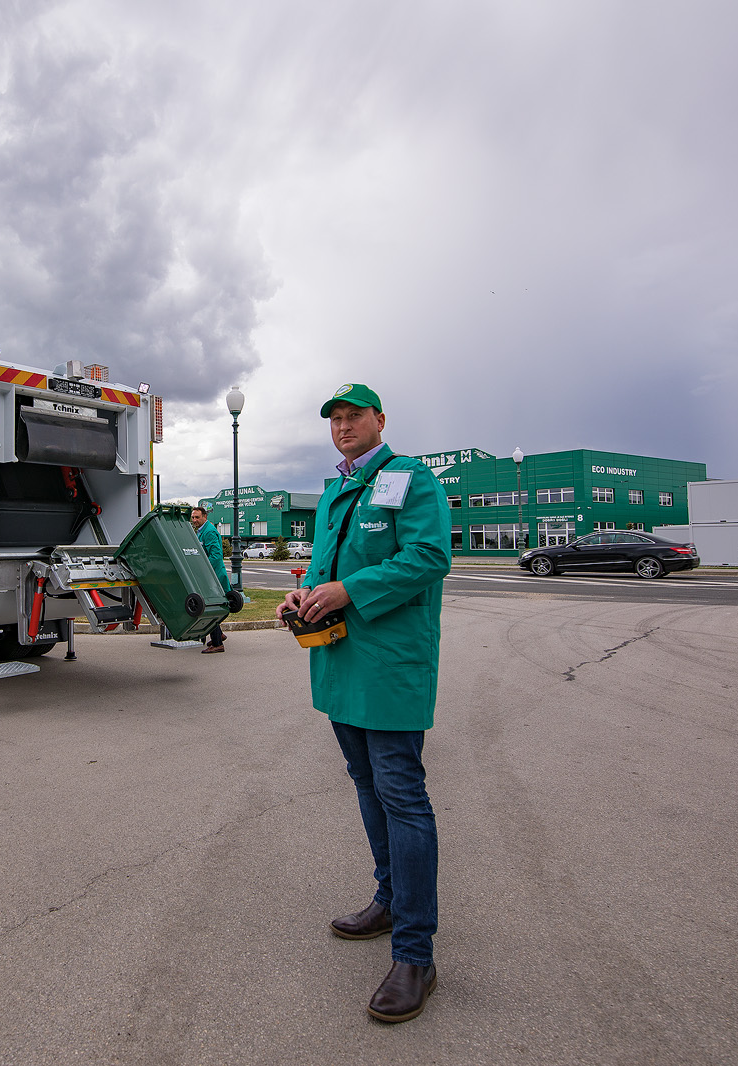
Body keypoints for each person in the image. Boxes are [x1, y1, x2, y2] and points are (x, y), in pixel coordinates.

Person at [280, 383, 452, 1023]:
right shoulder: (333, 492)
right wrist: (303, 598)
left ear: (380, 419)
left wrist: (348, 591)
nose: (344, 425)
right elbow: (328, 571)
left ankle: (416, 954)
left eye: (355, 415)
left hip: (388, 669)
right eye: (335, 418)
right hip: (340, 663)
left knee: (403, 797)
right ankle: (388, 900)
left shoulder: (409, 479)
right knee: (366, 786)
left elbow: (430, 558)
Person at [189, 506, 230, 652]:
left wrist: (206, 573)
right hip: (211, 575)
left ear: (205, 517)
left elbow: (216, 556)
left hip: (214, 576)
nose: (194, 520)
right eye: (193, 517)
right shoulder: (201, 531)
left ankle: (218, 643)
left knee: (210, 607)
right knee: (211, 606)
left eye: (197, 517)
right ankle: (219, 634)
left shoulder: (209, 532)